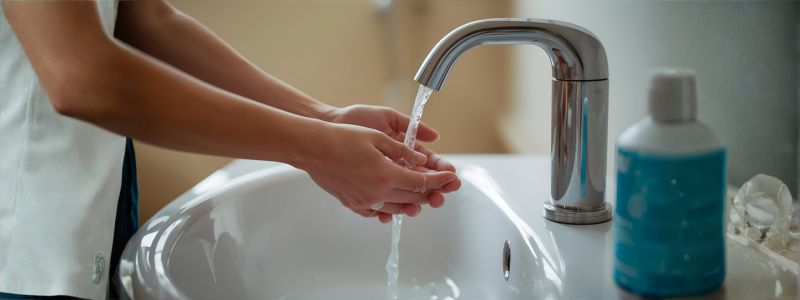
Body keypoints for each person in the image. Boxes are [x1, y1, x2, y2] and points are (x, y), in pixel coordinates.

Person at [0, 1, 461, 299]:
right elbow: (82, 77)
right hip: (21, 245)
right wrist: (318, 149)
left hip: (84, 204)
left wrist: (324, 119)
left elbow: (146, 19)